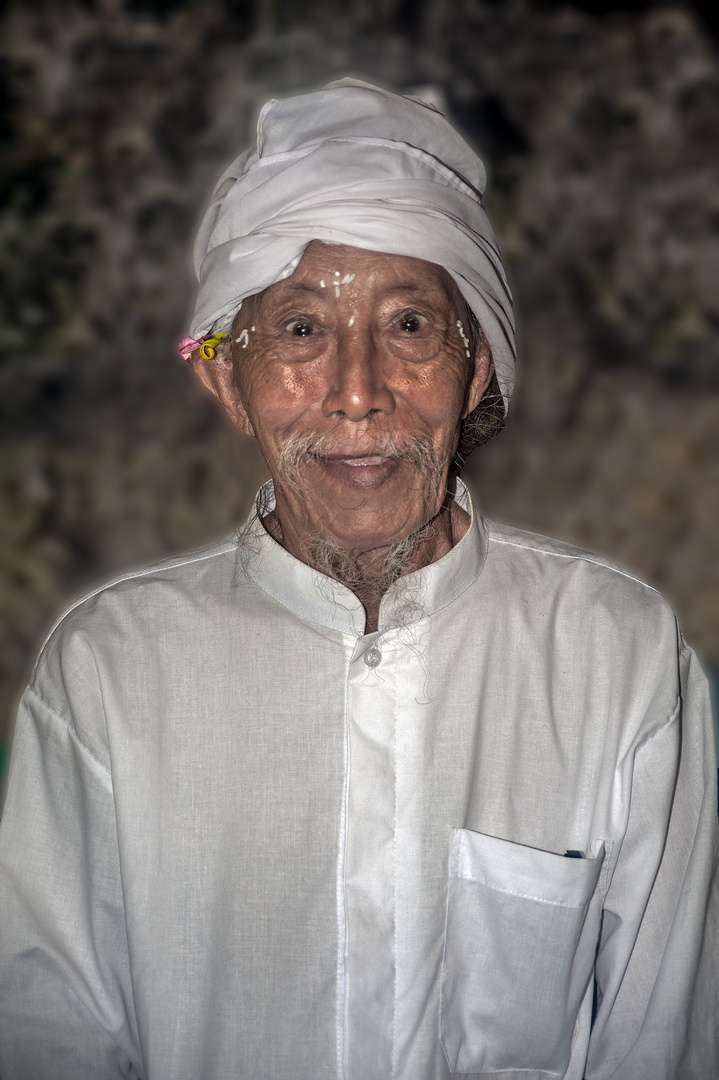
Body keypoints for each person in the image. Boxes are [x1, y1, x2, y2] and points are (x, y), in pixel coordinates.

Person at [0, 78, 716, 1080]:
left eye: (410, 326)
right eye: (299, 329)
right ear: (223, 377)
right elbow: (50, 1038)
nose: (355, 391)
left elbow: (659, 1045)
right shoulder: (111, 673)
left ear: (473, 368)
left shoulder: (614, 656)